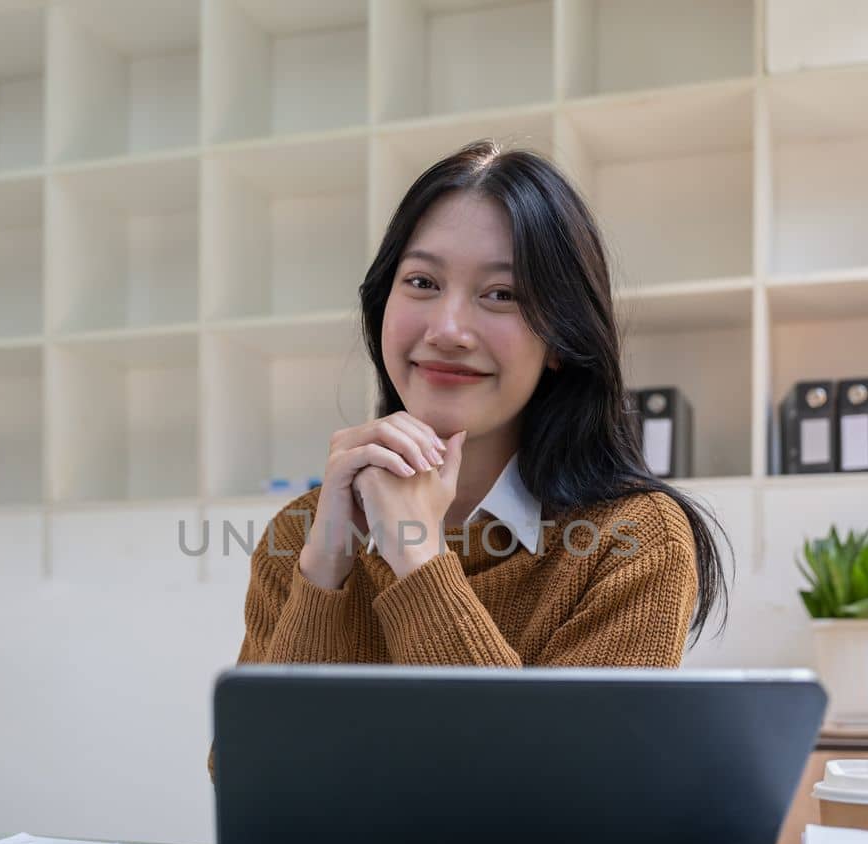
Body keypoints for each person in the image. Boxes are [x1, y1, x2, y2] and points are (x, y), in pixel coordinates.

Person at [208, 139, 728, 782]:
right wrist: (323, 575)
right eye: (421, 282)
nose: (448, 328)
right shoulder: (304, 532)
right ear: (382, 310)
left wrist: (418, 553)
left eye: (502, 294)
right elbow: (255, 787)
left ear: (561, 339)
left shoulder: (635, 541)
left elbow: (555, 800)